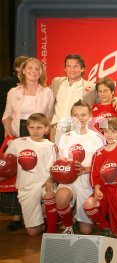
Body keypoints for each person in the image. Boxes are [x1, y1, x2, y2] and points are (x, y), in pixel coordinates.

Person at [44, 100, 105, 234]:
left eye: (83, 114)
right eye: (76, 115)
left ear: (89, 116)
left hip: (87, 183)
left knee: (86, 231)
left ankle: (82, 219)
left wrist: (85, 169)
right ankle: (69, 226)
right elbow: (58, 162)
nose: (79, 118)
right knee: (61, 197)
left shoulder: (97, 138)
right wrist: (52, 178)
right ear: (71, 117)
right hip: (69, 181)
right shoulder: (65, 137)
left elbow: (103, 165)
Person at [50, 54, 117, 144]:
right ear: (65, 68)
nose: (72, 69)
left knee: (78, 156)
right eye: (69, 66)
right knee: (57, 156)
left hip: (78, 129)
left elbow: (104, 98)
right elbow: (46, 98)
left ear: (82, 69)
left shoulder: (91, 87)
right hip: (57, 129)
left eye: (75, 66)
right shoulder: (57, 82)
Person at [6, 113, 57, 236]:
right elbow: (6, 163)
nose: (35, 131)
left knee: (49, 194)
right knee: (33, 232)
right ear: (27, 128)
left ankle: (52, 230)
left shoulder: (50, 146)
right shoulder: (17, 143)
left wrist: (50, 180)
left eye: (39, 127)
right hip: (25, 187)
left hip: (44, 183)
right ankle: (44, 220)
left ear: (46, 129)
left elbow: (54, 168)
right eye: (32, 127)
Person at [0, 55, 29, 232]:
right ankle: (16, 216)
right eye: (23, 67)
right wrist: (7, 128)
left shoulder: (44, 90)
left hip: (34, 136)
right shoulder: (9, 87)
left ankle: (32, 215)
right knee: (11, 174)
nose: (27, 71)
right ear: (17, 69)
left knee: (29, 176)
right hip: (12, 135)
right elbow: (6, 113)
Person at [3, 57, 53, 138]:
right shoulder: (13, 92)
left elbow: (50, 116)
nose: (34, 71)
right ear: (23, 71)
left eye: (37, 69)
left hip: (39, 135)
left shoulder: (47, 92)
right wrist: (8, 128)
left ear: (40, 73)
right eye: (30, 68)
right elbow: (7, 115)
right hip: (17, 135)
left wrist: (46, 129)